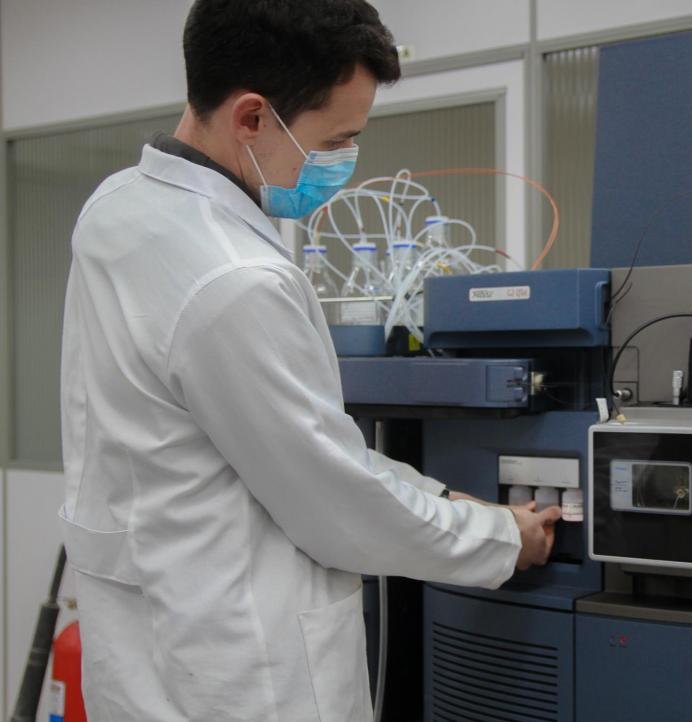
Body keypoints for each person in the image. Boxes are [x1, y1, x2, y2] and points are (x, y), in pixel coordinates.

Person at [58, 1, 560, 720]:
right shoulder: (236, 279)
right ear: (253, 118)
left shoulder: (116, 212)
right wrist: (501, 536)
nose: (343, 167)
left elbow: (289, 453)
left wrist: (448, 501)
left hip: (148, 655)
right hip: (248, 673)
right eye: (337, 141)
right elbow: (336, 504)